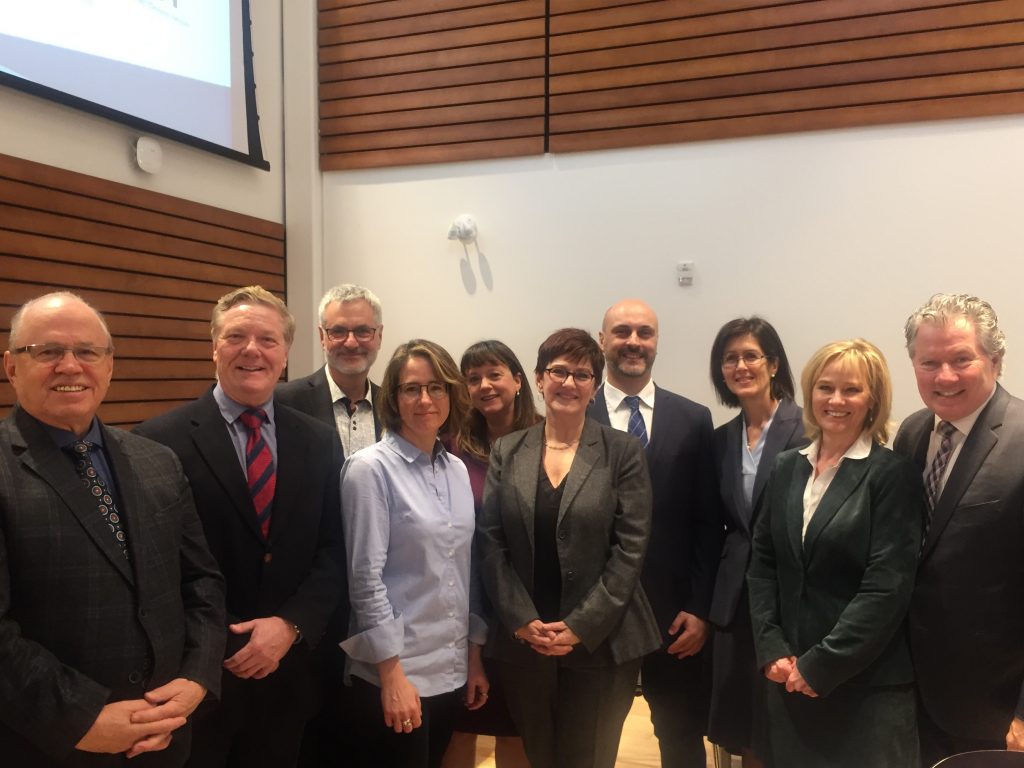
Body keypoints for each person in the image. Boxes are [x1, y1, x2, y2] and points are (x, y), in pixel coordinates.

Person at [0, 291, 225, 766]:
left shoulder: (156, 460)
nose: (69, 365)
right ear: (12, 367)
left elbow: (202, 580)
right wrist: (80, 718)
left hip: (166, 736)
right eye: (47, 352)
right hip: (51, 746)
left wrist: (196, 678)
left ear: (108, 365)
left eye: (87, 351)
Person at [135, 286, 346, 768]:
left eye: (268, 340)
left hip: (289, 672)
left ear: (286, 353)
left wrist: (291, 625)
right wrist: (216, 646)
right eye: (236, 337)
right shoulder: (157, 441)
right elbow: (155, 569)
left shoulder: (317, 440)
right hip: (198, 679)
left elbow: (335, 548)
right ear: (214, 347)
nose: (252, 350)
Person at [478, 328, 661, 768]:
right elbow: (490, 540)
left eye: (582, 374)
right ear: (538, 379)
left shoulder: (622, 451)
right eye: (558, 371)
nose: (569, 382)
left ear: (595, 387)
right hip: (527, 642)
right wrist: (520, 619)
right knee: (540, 756)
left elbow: (630, 550)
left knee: (590, 758)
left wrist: (580, 625)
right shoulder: (508, 449)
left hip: (602, 642)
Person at [748, 339, 922, 767]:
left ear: (873, 400)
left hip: (865, 690)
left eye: (852, 390)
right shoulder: (787, 466)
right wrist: (771, 647)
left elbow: (886, 588)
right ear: (810, 394)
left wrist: (822, 665)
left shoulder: (892, 474)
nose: (836, 400)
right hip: (788, 679)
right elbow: (763, 564)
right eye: (826, 388)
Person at [589, 299, 723, 768]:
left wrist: (700, 608)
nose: (633, 342)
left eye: (644, 332)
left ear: (656, 342)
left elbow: (709, 523)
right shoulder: (573, 415)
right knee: (594, 739)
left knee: (681, 738)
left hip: (675, 617)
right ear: (602, 340)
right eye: (621, 331)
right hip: (597, 614)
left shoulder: (693, 419)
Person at [340, 339, 485, 768]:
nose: (425, 399)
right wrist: (391, 675)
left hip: (450, 666)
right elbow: (364, 579)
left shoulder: (456, 468)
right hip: (397, 672)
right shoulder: (369, 469)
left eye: (436, 387)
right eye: (411, 389)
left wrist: (473, 656)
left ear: (451, 395)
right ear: (393, 398)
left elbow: (466, 568)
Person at [893, 294, 1024, 764]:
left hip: (993, 706)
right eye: (929, 362)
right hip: (909, 692)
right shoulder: (910, 433)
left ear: (996, 359)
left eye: (961, 359)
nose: (944, 376)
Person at [275, 283, 383, 767]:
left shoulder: (399, 405)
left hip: (380, 586)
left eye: (362, 330)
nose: (351, 341)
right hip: (310, 588)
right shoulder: (284, 402)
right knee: (309, 724)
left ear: (378, 336)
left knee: (367, 720)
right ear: (321, 336)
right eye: (338, 330)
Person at [706, 317, 806, 767]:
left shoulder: (807, 429)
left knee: (788, 719)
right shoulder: (720, 440)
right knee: (744, 722)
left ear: (773, 364)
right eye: (730, 358)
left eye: (751, 355)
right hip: (733, 602)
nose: (740, 366)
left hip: (790, 598)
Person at [442, 340, 539, 768]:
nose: (484, 385)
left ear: (517, 380)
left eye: (494, 374)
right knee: (461, 721)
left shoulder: (547, 438)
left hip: (527, 603)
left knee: (517, 725)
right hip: (467, 601)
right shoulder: (452, 447)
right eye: (473, 378)